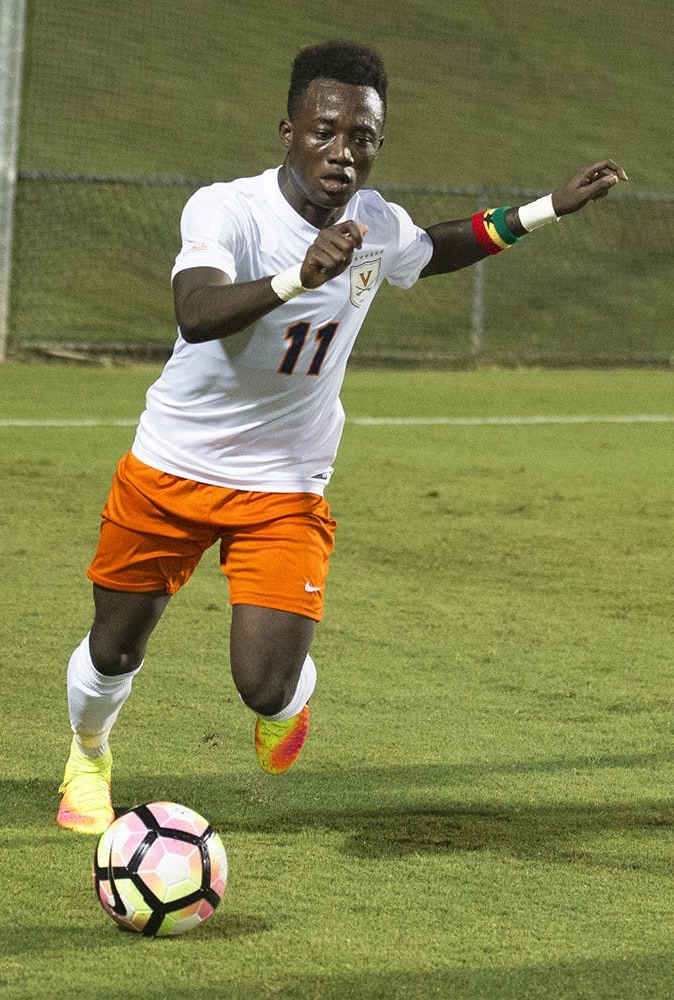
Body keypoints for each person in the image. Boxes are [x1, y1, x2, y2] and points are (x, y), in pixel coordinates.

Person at [56, 39, 627, 834]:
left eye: (362, 137)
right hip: (171, 467)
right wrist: (300, 277)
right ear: (287, 130)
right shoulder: (227, 210)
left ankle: (289, 705)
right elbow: (197, 311)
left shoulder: (374, 222)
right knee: (114, 650)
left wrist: (545, 209)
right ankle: (88, 757)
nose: (343, 152)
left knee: (265, 685)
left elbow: (435, 249)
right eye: (325, 131)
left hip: (286, 484)